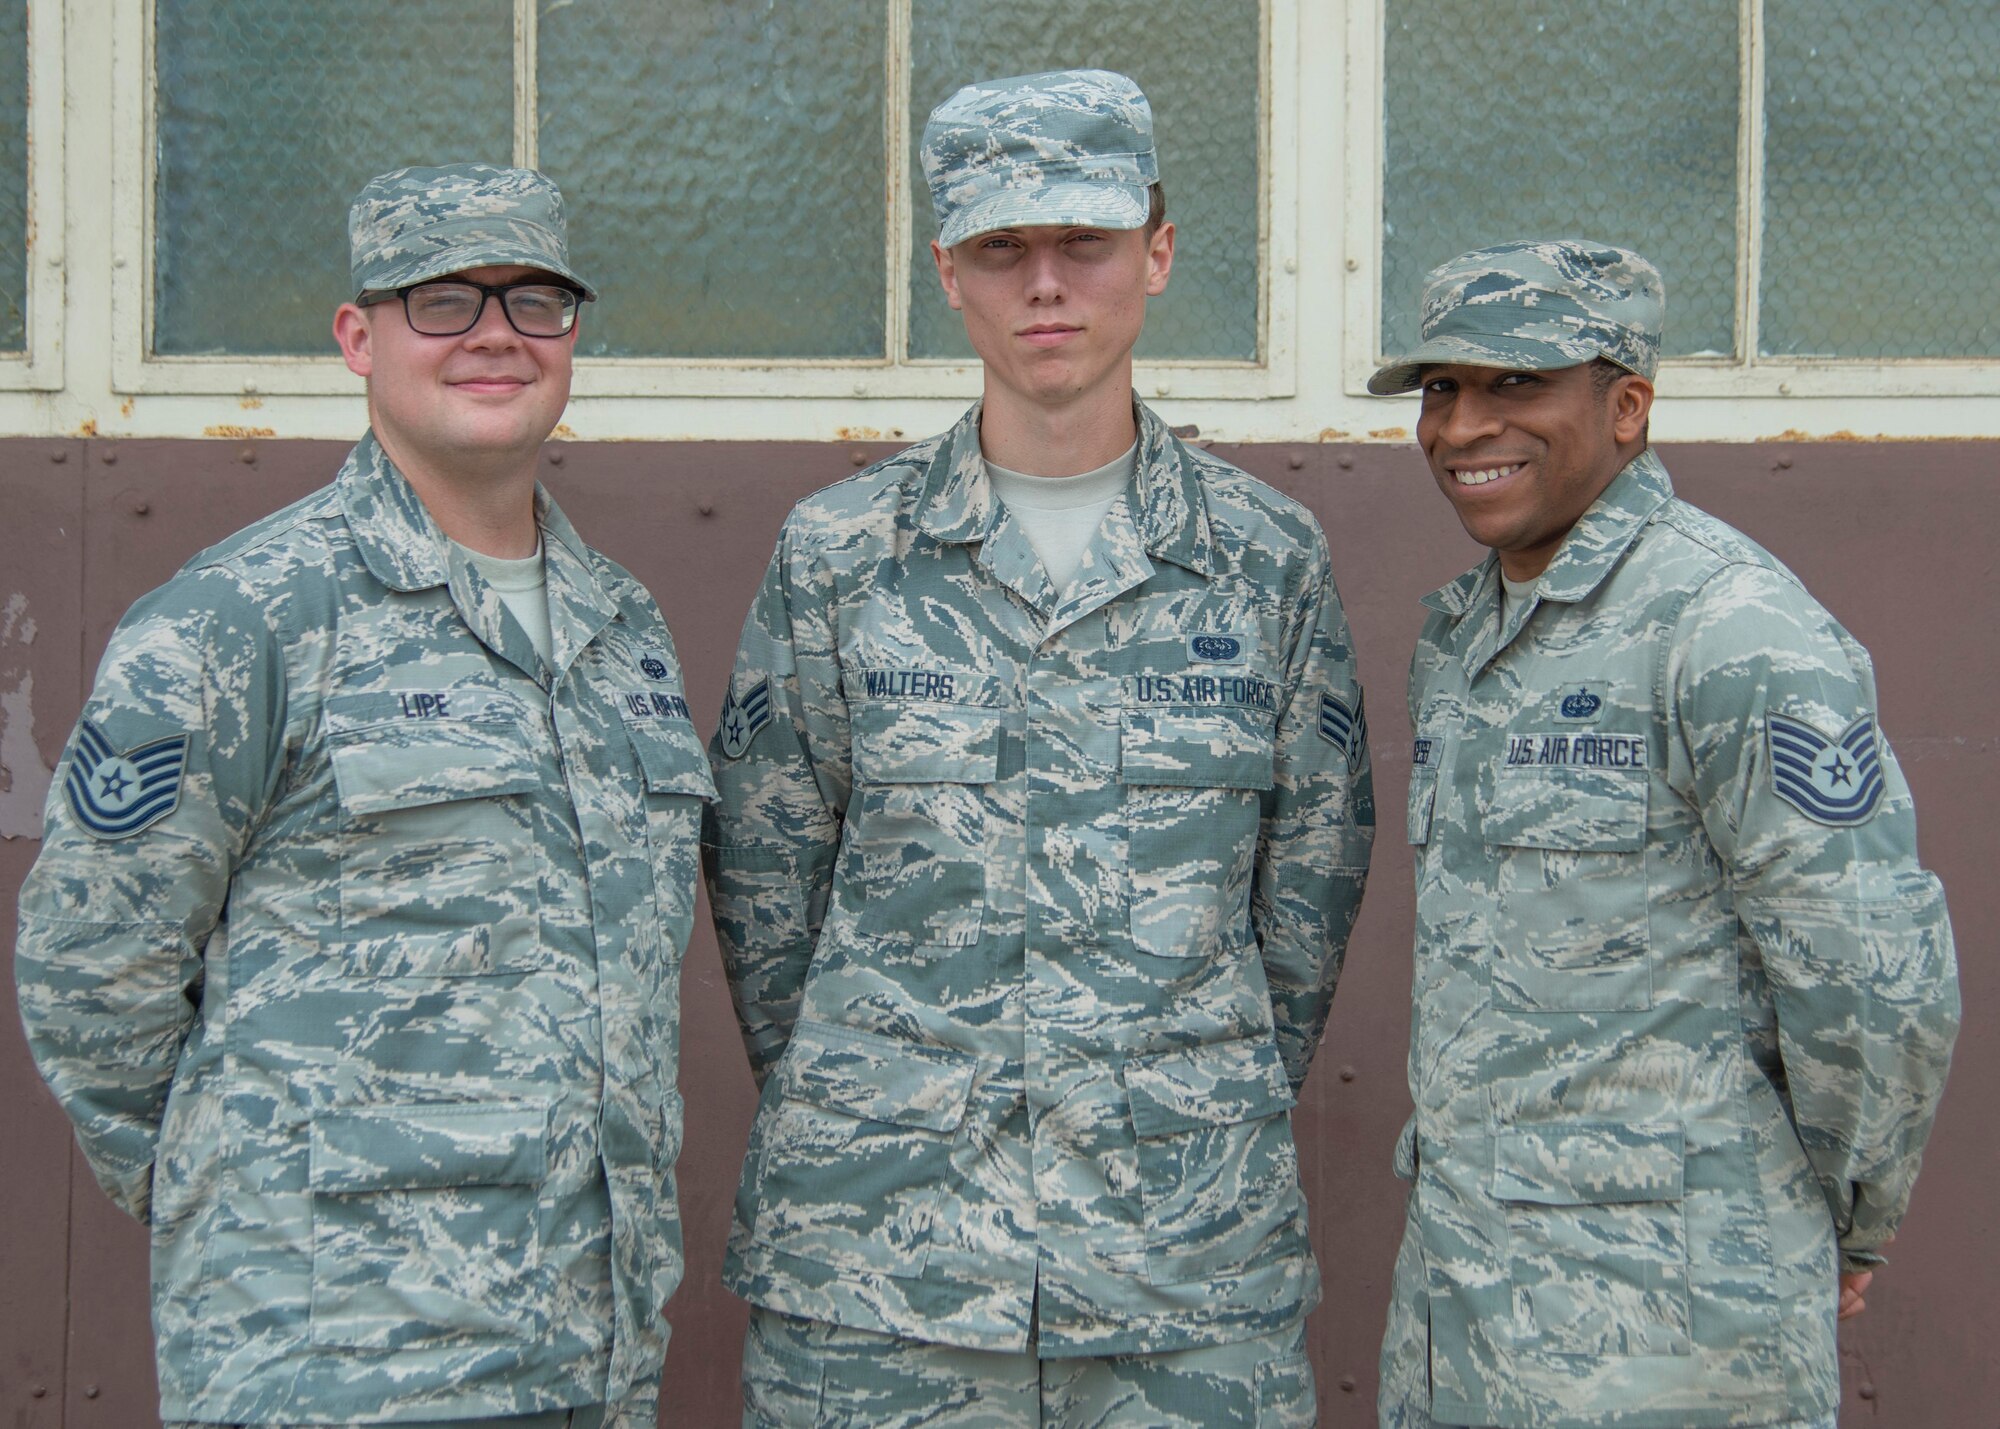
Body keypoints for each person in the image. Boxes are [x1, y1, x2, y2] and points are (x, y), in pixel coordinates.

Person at [704, 69, 1373, 1427]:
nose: (1047, 286)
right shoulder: (840, 557)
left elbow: (1305, 901)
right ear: (948, 272)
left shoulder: (1264, 562)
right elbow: (768, 894)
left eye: (1086, 243)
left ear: (1160, 253)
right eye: (1004, 248)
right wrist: (899, 1101)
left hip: (1186, 1274)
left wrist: (1167, 1095)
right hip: (885, 1276)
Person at [14, 164, 714, 1429]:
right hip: (332, 1355)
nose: (495, 331)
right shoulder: (241, 620)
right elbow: (87, 972)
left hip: (589, 1354)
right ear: (358, 337)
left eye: (535, 299)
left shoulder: (624, 632)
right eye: (441, 299)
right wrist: (245, 1192)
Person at [1369, 239, 1960, 1429]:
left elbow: (1868, 974)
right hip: (1463, 1298)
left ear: (1626, 405)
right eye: (1441, 389)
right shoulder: (1467, 635)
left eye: (1515, 384)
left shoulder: (1729, 627)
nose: (1462, 426)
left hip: (1670, 1324)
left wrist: (1845, 1213)